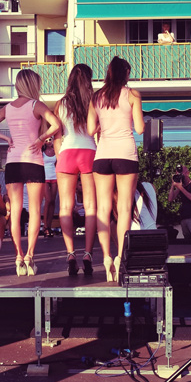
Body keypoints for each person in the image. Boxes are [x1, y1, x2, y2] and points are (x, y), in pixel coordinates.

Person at [0, 69, 59, 276]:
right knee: (35, 211)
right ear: (33, 84)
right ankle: (30, 256)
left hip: (13, 162)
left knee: (14, 211)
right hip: (34, 162)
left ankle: (18, 256)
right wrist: (41, 139)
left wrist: (6, 139)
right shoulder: (36, 105)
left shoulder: (8, 108)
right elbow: (57, 124)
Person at [87, 56, 144, 282]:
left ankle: (106, 257)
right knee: (124, 208)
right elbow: (139, 128)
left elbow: (91, 129)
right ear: (125, 74)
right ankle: (121, 256)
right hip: (126, 155)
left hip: (102, 156)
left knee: (103, 208)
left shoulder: (96, 97)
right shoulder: (132, 95)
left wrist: (105, 122)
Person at [53, 63, 98, 276]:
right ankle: (88, 253)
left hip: (67, 153)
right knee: (90, 207)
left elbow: (57, 136)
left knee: (65, 208)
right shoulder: (94, 101)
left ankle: (70, 253)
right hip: (89, 152)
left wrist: (60, 156)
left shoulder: (61, 104)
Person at [168, 164, 191, 244]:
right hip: (184, 218)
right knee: (187, 242)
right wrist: (173, 185)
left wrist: (180, 187)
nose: (180, 174)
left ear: (187, 173)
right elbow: (170, 199)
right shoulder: (182, 186)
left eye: (182, 172)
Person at [41, 141, 58, 237]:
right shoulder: (41, 151)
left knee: (53, 201)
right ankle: (45, 226)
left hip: (54, 176)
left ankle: (50, 225)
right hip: (45, 177)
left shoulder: (56, 150)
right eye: (47, 140)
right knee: (48, 200)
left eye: (50, 139)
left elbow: (57, 164)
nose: (49, 142)